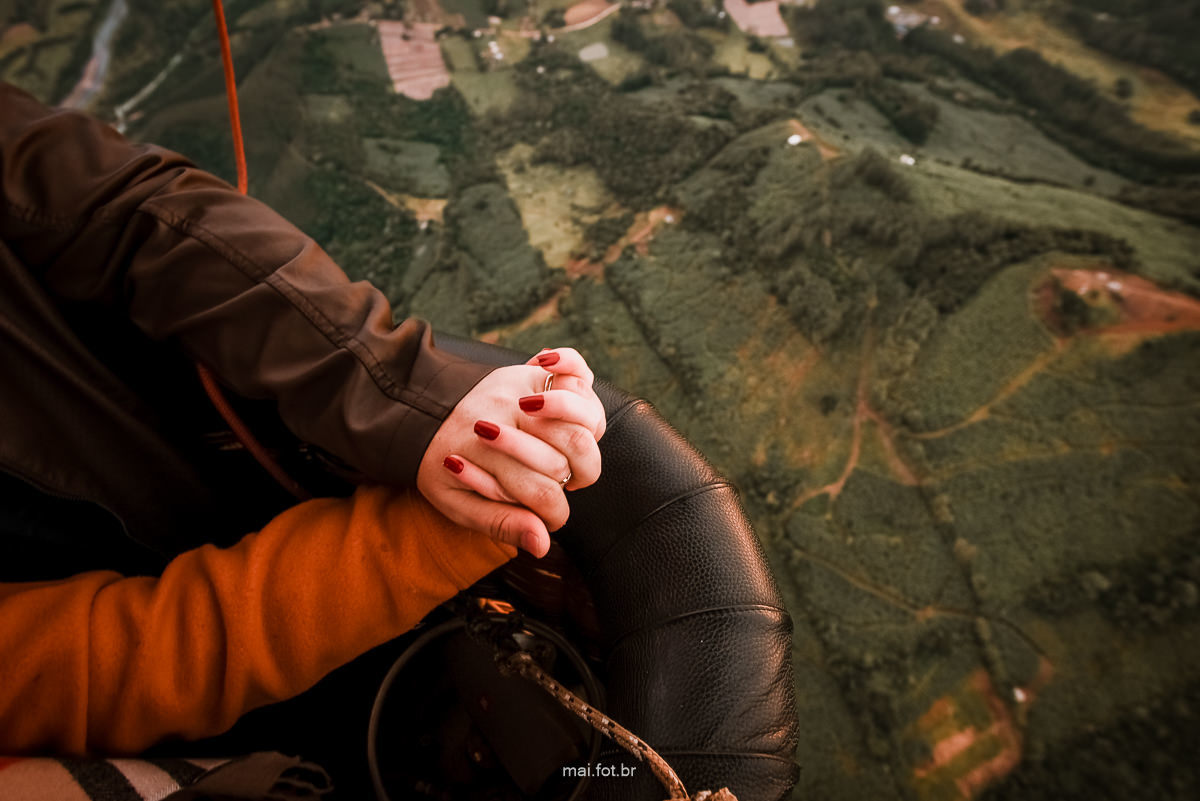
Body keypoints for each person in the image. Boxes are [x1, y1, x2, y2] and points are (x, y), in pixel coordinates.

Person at [0, 81, 605, 755]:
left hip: (226, 461)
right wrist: (454, 521)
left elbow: (123, 208)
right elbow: (93, 665)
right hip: (209, 727)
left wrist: (409, 397)